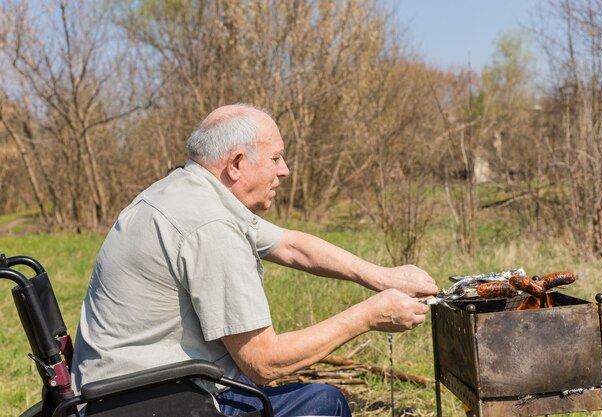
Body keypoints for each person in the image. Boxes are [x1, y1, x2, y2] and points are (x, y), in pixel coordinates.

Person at [70, 103, 438, 416]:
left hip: (121, 389)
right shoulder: (210, 226)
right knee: (324, 402)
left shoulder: (187, 190)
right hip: (148, 402)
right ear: (236, 163)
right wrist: (370, 315)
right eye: (276, 158)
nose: (285, 170)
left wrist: (383, 277)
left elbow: (292, 246)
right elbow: (265, 363)